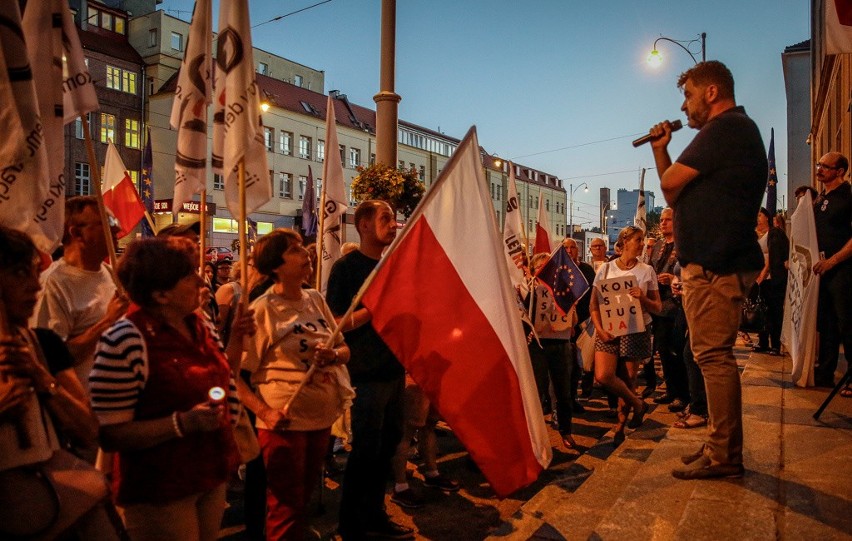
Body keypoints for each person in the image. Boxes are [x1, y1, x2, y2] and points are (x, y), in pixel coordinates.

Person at [89, 237, 255, 541]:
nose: (199, 281)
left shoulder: (199, 325)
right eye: (188, 276)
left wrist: (238, 337)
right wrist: (180, 424)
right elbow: (110, 433)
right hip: (160, 486)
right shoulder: (125, 339)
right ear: (161, 294)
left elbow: (225, 374)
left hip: (210, 471)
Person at [647, 60, 767, 479]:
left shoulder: (727, 128)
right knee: (707, 355)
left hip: (717, 264)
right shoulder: (729, 134)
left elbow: (669, 184)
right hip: (712, 262)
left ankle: (725, 455)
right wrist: (661, 149)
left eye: (688, 94)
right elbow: (676, 194)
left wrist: (661, 150)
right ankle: (719, 444)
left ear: (711, 92)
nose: (683, 107)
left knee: (713, 357)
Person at [237, 229, 352, 540]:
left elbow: (344, 349)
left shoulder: (315, 298)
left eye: (303, 247)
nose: (306, 254)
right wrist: (265, 411)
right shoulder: (263, 309)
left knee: (300, 501)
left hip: (320, 417)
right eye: (295, 250)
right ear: (275, 265)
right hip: (284, 424)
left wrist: (333, 355)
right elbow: (234, 376)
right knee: (284, 506)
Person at [0, 226, 109, 540]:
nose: (35, 285)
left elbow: (87, 429)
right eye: (20, 273)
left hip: (56, 509)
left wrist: (41, 379)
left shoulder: (42, 345)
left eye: (35, 272)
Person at [326, 200, 413, 541]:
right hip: (365, 377)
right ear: (363, 225)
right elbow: (335, 324)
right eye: (386, 218)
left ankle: (376, 516)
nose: (394, 224)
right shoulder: (347, 269)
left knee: (386, 450)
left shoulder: (394, 267)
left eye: (394, 218)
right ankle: (351, 526)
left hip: (394, 373)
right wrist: (374, 307)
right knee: (363, 454)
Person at [33, 196, 129, 391]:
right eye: (108, 222)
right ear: (77, 233)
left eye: (116, 222)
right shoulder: (54, 285)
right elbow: (49, 360)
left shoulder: (110, 274)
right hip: (84, 407)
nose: (117, 229)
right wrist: (107, 322)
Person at [589, 226, 660, 443]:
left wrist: (643, 298)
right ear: (625, 242)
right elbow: (593, 305)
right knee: (603, 375)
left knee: (629, 379)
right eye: (638, 240)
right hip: (609, 329)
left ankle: (620, 426)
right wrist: (600, 329)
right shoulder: (606, 270)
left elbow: (657, 307)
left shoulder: (646, 271)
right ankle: (639, 404)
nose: (642, 244)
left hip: (635, 330)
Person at [811, 152, 852, 389]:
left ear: (840, 171)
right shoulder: (820, 199)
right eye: (819, 165)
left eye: (825, 166)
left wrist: (833, 261)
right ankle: (825, 372)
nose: (820, 169)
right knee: (826, 323)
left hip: (842, 270)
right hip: (822, 271)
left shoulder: (848, 196)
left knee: (847, 322)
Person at [647, 208, 690, 410]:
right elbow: (649, 268)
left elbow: (687, 272)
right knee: (663, 350)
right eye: (662, 220)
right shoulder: (657, 246)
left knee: (676, 350)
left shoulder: (684, 244)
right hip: (658, 304)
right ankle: (671, 389)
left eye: (668, 219)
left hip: (675, 304)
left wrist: (673, 279)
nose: (663, 223)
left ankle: (682, 393)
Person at [754, 208, 789, 356]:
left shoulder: (774, 233)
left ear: (767, 217)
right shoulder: (754, 235)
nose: (758, 218)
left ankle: (775, 344)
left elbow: (773, 257)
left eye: (760, 215)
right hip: (759, 280)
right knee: (761, 311)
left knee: (774, 312)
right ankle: (762, 342)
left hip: (772, 280)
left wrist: (763, 275)